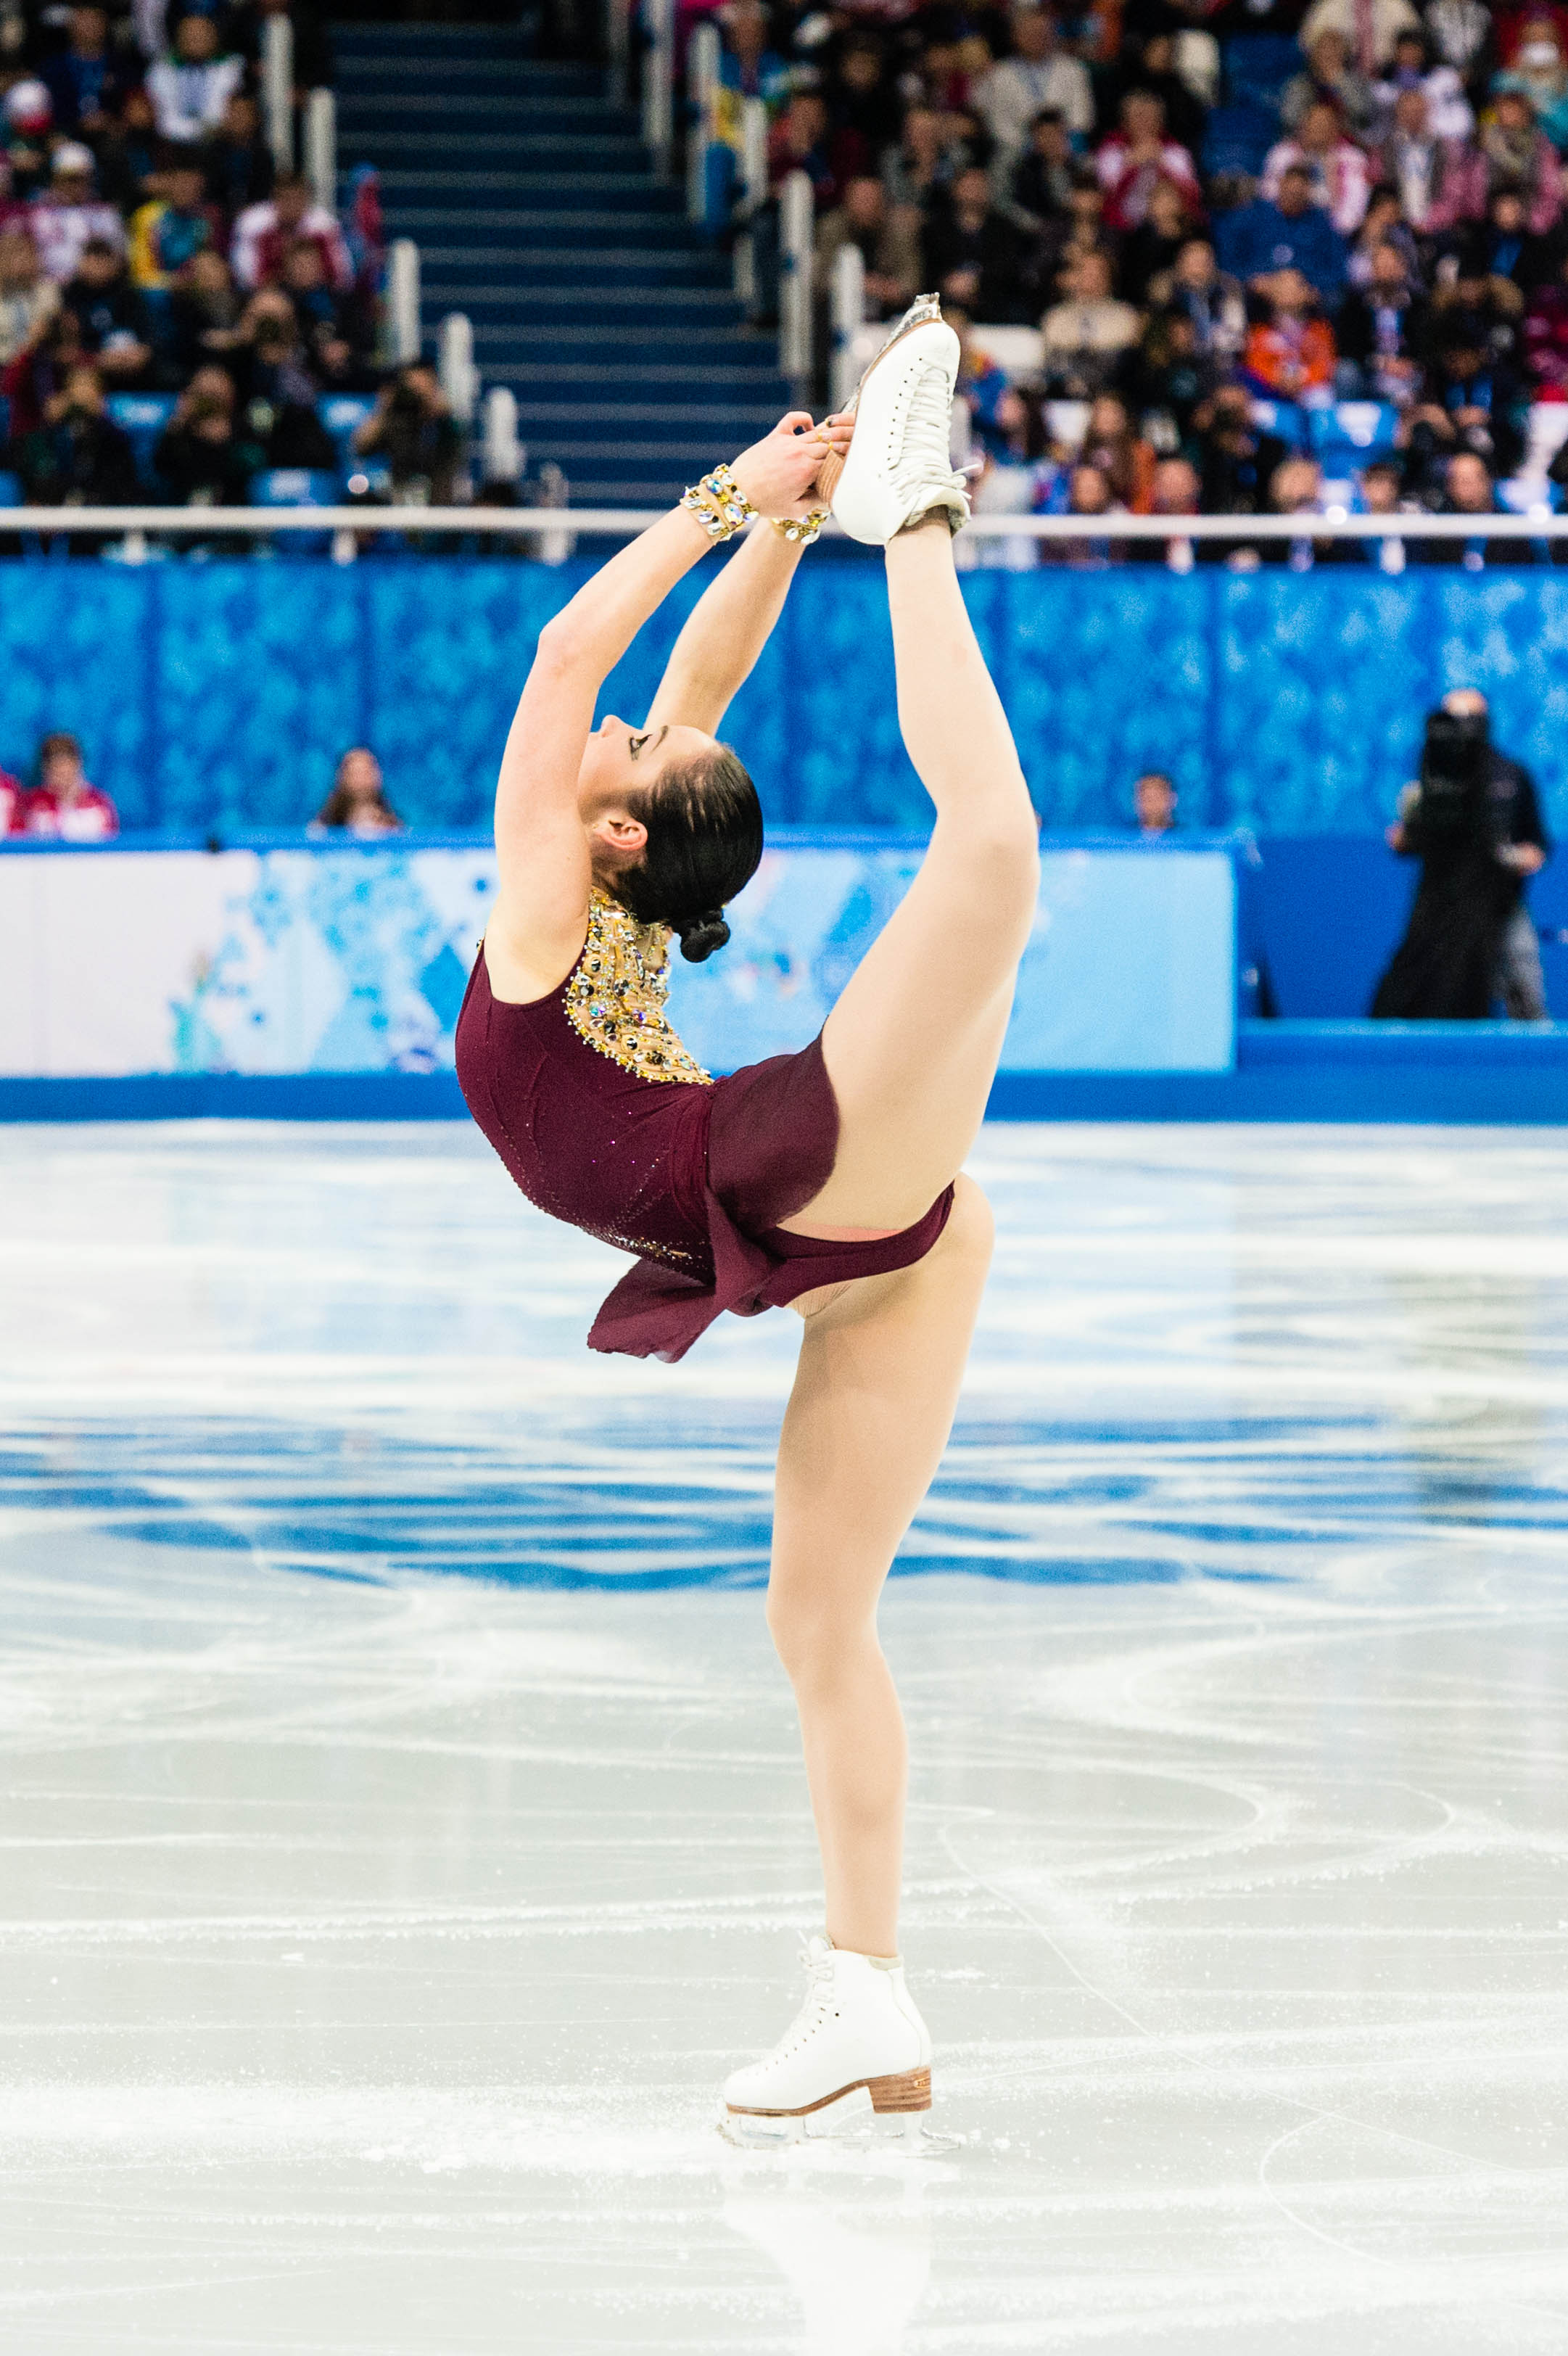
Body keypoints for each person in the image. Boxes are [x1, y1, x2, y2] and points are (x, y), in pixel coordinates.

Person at [453, 299, 1040, 2137]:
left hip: (785, 1174)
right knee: (815, 1628)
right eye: (630, 747)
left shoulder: (559, 894)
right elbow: (669, 692)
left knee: (991, 855)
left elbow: (578, 652)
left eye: (629, 758)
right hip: (860, 1258)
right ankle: (860, 1995)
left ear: (614, 836)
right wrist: (775, 517)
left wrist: (754, 506)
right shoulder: (594, 907)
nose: (620, 731)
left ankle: (923, 510)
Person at [1372, 693, 1550, 1018]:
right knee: (1416, 987)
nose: (1461, 731)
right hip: (1440, 904)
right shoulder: (1430, 779)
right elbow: (1407, 840)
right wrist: (1410, 829)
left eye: (1471, 720)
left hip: (1500, 903)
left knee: (1524, 989)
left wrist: (1507, 856)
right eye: (1452, 720)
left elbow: (1537, 847)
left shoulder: (1511, 776)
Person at [19, 733, 118, 839]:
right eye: (55, 768)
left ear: (78, 764)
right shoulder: (33, 803)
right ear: (45, 769)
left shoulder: (99, 803)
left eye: (66, 766)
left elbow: (110, 844)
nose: (62, 775)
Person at [311, 747, 404, 835]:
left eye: (366, 773)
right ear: (342, 778)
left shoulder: (394, 830)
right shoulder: (321, 830)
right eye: (355, 773)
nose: (361, 780)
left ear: (378, 777)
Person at [1132, 769, 1178, 833]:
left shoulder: (1187, 837)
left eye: (1158, 797)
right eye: (1147, 798)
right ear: (1137, 801)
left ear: (1172, 800)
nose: (1153, 804)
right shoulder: (1123, 835)